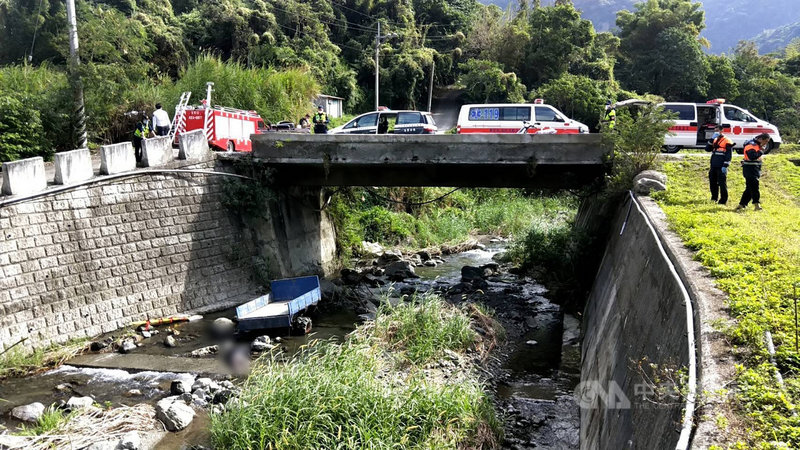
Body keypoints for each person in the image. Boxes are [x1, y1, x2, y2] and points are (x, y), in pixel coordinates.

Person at [735, 133, 770, 211]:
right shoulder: (751, 145)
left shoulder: (756, 145)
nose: (766, 144)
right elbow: (752, 156)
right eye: (765, 141)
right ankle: (756, 204)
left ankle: (742, 204)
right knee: (754, 187)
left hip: (755, 168)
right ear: (760, 139)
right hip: (750, 168)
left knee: (749, 188)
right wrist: (761, 151)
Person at [705, 125, 733, 205]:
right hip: (714, 164)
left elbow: (728, 154)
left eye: (717, 131)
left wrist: (725, 165)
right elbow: (707, 149)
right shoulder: (714, 140)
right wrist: (711, 139)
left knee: (722, 183)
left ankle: (723, 200)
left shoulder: (727, 140)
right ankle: (714, 198)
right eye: (715, 131)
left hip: (721, 165)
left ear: (722, 130)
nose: (716, 132)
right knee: (712, 182)